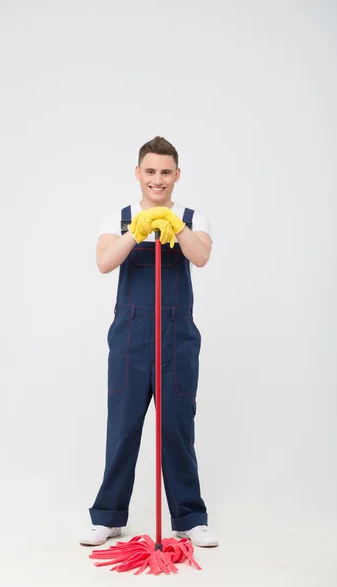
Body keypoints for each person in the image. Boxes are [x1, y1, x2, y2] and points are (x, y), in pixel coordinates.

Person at [80, 136, 218, 548]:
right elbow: (105, 262)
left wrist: (173, 224)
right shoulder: (117, 218)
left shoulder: (193, 217)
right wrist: (137, 231)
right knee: (122, 427)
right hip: (131, 339)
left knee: (177, 427)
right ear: (138, 173)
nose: (158, 180)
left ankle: (189, 519)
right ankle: (108, 517)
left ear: (177, 176)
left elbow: (201, 255)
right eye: (150, 171)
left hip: (177, 339)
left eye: (166, 172)